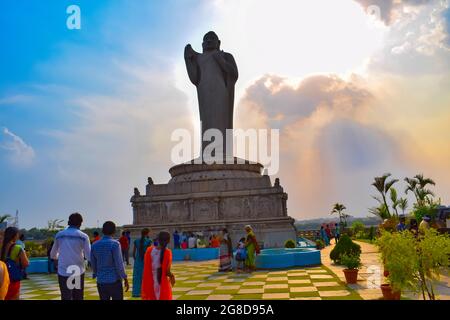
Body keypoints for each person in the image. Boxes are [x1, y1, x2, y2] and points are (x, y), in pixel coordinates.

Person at [50, 212, 91, 300]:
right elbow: (88, 256)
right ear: (80, 223)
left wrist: (58, 258)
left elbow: (53, 254)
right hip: (77, 271)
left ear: (69, 222)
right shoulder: (83, 236)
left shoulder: (60, 235)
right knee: (78, 297)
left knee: (66, 296)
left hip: (63, 271)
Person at [91, 221, 129, 300]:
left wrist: (95, 273)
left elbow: (93, 263)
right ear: (114, 231)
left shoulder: (95, 245)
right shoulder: (115, 244)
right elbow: (119, 264)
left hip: (101, 281)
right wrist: (124, 277)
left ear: (102, 231)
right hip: (114, 281)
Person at [141, 231, 175, 300]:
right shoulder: (167, 252)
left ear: (158, 239)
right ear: (168, 241)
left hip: (150, 282)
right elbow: (167, 271)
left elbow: (147, 267)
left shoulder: (149, 250)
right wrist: (172, 276)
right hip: (162, 283)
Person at [0, 227, 29, 300]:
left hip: (2, 278)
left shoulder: (1, 247)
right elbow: (26, 263)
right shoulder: (18, 248)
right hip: (13, 280)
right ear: (15, 235)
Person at [132, 228, 152, 298]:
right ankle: (146, 292)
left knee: (137, 278)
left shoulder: (136, 241)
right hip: (145, 261)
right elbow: (150, 252)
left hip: (138, 261)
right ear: (147, 233)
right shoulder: (149, 241)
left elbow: (133, 253)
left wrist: (136, 259)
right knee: (146, 277)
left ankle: (137, 293)